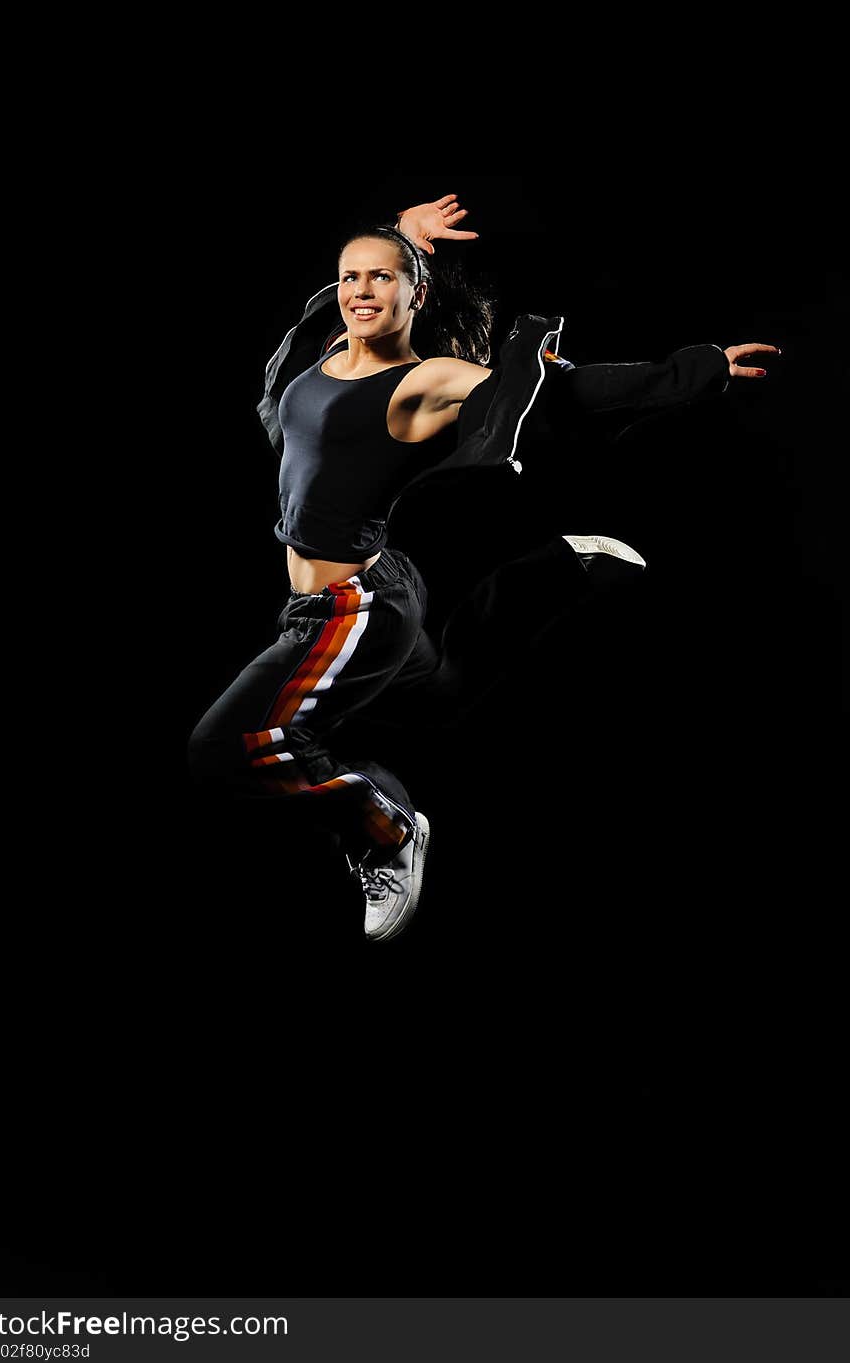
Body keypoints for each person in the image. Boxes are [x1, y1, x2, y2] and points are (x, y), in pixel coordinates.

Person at [187, 192, 779, 942]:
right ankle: (557, 571)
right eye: (350, 278)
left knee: (225, 752)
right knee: (441, 693)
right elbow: (303, 358)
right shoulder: (326, 356)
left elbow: (569, 392)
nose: (360, 292)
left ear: (416, 293)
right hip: (384, 581)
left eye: (380, 279)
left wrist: (697, 371)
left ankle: (387, 833)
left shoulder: (429, 380)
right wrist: (403, 235)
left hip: (351, 607)